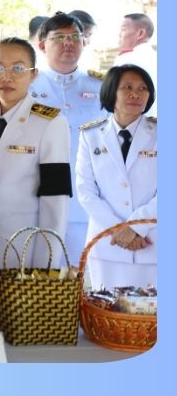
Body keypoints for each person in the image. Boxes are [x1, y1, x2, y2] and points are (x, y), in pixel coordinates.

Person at [0, 38, 72, 268]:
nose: (7, 77)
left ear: (33, 75)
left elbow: (55, 200)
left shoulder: (50, 123)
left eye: (18, 68)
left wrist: (45, 266)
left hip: (22, 250)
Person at [29, 11, 105, 264]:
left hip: (87, 198)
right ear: (42, 45)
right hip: (38, 196)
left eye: (74, 36)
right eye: (59, 37)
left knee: (82, 271)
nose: (69, 43)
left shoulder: (101, 87)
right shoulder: (28, 87)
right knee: (42, 271)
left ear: (84, 41)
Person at [76, 64, 156, 290]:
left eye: (142, 88)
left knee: (153, 310)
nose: (136, 94)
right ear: (111, 92)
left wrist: (136, 228)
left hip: (151, 242)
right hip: (107, 245)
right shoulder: (91, 135)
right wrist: (119, 230)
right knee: (105, 308)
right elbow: (86, 191)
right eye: (127, 87)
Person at [114, 13, 156, 116]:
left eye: (123, 29)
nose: (119, 34)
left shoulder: (126, 59)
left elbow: (113, 98)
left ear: (140, 33)